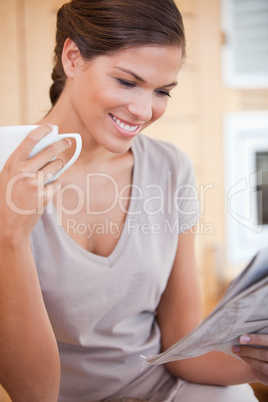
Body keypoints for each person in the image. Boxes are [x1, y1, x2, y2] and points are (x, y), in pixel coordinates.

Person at [0, 0, 267, 401]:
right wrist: (10, 237)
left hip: (165, 388)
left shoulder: (170, 168)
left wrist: (255, 361)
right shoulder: (7, 176)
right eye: (127, 81)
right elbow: (32, 393)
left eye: (162, 91)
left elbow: (181, 351)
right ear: (73, 58)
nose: (144, 111)